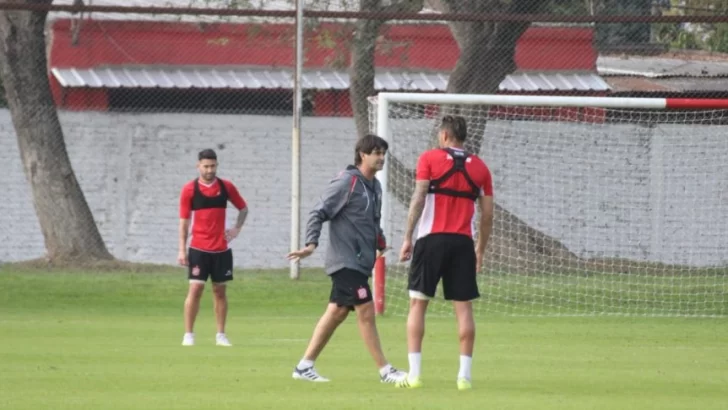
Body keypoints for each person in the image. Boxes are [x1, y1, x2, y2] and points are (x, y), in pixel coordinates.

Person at [286, 134, 407, 384]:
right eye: (377, 153)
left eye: (384, 153)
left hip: (361, 262)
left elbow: (372, 220)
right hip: (344, 261)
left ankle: (303, 367)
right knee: (365, 309)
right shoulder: (346, 182)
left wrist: (380, 241)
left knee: (338, 312)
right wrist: (311, 244)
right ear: (363, 154)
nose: (382, 158)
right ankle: (386, 371)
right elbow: (318, 212)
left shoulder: (375, 186)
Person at [396, 115, 494, 390]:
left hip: (431, 241)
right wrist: (481, 249)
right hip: (462, 244)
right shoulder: (482, 168)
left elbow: (418, 198)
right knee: (464, 310)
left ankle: (414, 375)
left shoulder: (429, 158)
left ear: (444, 135)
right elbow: (488, 216)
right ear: (463, 137)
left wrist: (407, 237)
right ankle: (464, 377)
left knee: (418, 304)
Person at [178, 148, 249, 347]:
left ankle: (220, 335)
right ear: (198, 166)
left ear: (217, 165)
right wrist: (182, 250)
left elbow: (243, 208)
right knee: (195, 289)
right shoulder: (189, 190)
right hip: (199, 249)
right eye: (206, 166)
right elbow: (184, 222)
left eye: (213, 166)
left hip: (221, 250)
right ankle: (189, 334)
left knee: (220, 291)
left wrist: (236, 229)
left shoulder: (226, 187)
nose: (209, 170)